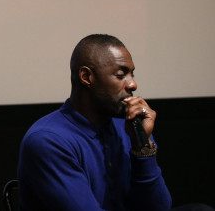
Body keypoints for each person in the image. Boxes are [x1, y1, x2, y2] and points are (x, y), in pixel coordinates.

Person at [17, 34, 212, 211]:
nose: (132, 84)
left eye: (132, 74)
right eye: (121, 75)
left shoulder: (128, 126)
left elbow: (159, 207)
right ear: (87, 77)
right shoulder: (48, 140)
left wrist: (142, 147)